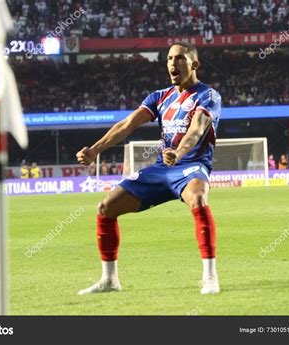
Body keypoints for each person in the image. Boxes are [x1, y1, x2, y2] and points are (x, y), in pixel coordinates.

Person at [76, 42, 221, 295]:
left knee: (198, 199)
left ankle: (210, 278)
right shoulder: (160, 96)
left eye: (179, 58)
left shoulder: (208, 95)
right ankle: (110, 280)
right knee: (106, 207)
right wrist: (95, 150)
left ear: (194, 64)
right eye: (169, 59)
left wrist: (179, 152)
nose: (172, 64)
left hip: (191, 166)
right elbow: (127, 124)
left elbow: (197, 130)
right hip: (161, 168)